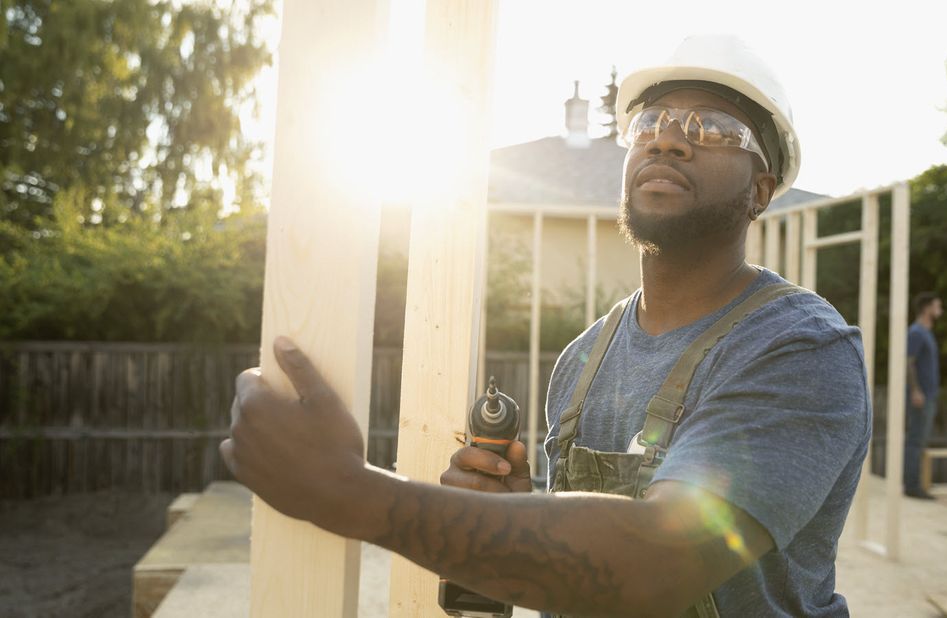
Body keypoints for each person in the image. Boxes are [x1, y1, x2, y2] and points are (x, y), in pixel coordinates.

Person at [221, 35, 871, 617]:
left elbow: (656, 565)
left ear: (761, 189)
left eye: (713, 128)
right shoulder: (585, 357)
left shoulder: (800, 350)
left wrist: (345, 492)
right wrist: (512, 521)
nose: (669, 138)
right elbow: (585, 571)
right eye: (651, 120)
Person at [904, 292, 943, 499]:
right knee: (916, 439)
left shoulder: (926, 332)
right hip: (921, 395)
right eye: (938, 306)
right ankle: (912, 485)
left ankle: (916, 479)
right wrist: (915, 390)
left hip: (929, 394)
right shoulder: (917, 332)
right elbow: (908, 361)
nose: (940, 310)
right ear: (927, 308)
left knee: (921, 439)